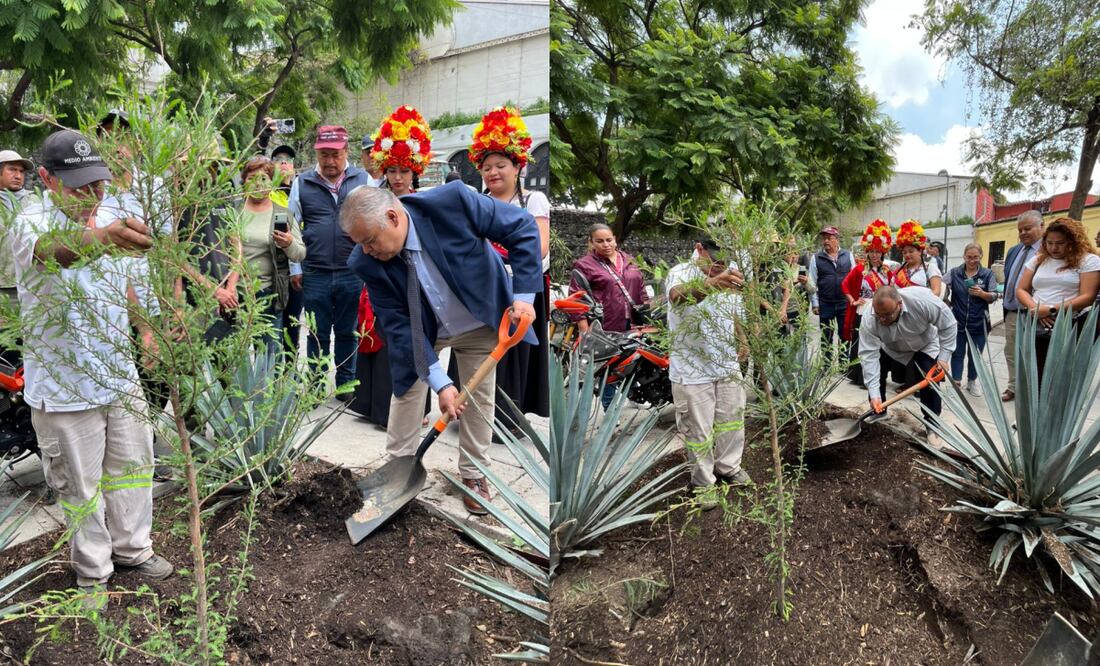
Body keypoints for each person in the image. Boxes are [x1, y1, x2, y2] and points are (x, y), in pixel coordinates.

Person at [7, 129, 173, 589]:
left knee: (133, 471)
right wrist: (103, 236)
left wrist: (144, 330)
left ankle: (134, 550)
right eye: (79, 185)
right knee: (80, 490)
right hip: (64, 389)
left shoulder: (114, 209)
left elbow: (129, 282)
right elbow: (52, 252)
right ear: (46, 178)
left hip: (119, 378)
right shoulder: (30, 220)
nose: (93, 194)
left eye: (97, 183)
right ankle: (93, 573)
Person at [342, 182, 540, 515]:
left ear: (393, 217)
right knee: (406, 390)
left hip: (479, 317)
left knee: (479, 397)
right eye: (360, 244)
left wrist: (523, 298)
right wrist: (441, 383)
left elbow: (522, 227)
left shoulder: (453, 202)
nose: (366, 251)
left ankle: (475, 476)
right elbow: (400, 327)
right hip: (425, 330)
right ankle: (397, 471)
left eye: (370, 241)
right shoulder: (366, 262)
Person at [350, 106, 435, 426]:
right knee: (383, 340)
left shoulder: (425, 202)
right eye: (392, 171)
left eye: (404, 171)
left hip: (416, 283)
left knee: (417, 343)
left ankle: (418, 410)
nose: (397, 178)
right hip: (379, 284)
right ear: (384, 170)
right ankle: (377, 407)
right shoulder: (371, 201)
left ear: (415, 171)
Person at [469, 106, 550, 420]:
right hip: (485, 288)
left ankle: (505, 418)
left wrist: (503, 255)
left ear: (518, 166)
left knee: (512, 355)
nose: (492, 172)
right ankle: (474, 414)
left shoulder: (533, 201)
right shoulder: (478, 203)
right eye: (487, 166)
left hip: (521, 290)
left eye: (500, 165)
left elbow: (539, 249)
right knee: (477, 351)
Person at [288, 125, 372, 392]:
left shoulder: (363, 180)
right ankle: (315, 384)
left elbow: (374, 223)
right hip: (314, 272)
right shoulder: (302, 182)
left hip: (353, 272)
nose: (330, 161)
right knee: (316, 332)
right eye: (324, 155)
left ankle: (346, 383)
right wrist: (294, 267)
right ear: (317, 154)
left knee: (348, 331)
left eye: (335, 154)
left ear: (346, 151)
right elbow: (291, 227)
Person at [666, 237, 749, 507]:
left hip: (725, 363)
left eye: (724, 261)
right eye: (715, 261)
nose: (720, 266)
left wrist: (743, 339)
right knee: (698, 430)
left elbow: (733, 311)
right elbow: (677, 297)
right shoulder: (679, 272)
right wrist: (713, 284)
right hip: (692, 368)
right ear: (698, 249)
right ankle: (703, 483)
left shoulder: (730, 270)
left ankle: (729, 467)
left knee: (732, 421)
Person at [569, 223, 648, 408]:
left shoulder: (628, 260)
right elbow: (576, 299)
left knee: (633, 360)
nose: (606, 244)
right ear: (591, 243)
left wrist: (646, 314)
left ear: (615, 239)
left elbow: (641, 288)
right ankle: (609, 407)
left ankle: (633, 396)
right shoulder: (584, 265)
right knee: (609, 368)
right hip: (605, 324)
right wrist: (584, 330)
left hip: (633, 322)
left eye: (609, 240)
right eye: (600, 241)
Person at [859, 286, 956, 438]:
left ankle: (933, 425)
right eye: (879, 315)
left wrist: (944, 358)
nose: (882, 319)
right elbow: (868, 356)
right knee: (876, 373)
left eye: (887, 315)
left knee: (929, 382)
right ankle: (879, 410)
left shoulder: (922, 301)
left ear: (900, 304)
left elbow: (948, 325)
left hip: (924, 344)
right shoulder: (869, 318)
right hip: (890, 346)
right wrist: (874, 393)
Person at [1014, 217, 1100, 386]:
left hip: (1070, 324)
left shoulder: (1088, 260)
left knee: (1061, 380)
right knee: (1035, 375)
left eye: (1060, 243)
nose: (1054, 248)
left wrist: (1052, 310)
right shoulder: (1039, 259)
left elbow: (1087, 296)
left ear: (1073, 241)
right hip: (1036, 323)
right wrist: (1037, 310)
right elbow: (1021, 289)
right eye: (1049, 243)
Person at [234, 156, 306, 349]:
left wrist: (288, 243)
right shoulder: (233, 212)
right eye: (251, 178)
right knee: (233, 359)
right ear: (243, 182)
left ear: (273, 182)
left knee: (268, 358)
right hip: (235, 295)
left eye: (264, 178)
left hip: (269, 294)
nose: (258, 183)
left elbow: (299, 254)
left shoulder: (283, 214)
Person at [841, 219, 894, 387]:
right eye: (871, 251)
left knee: (877, 345)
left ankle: (876, 378)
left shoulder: (887, 272)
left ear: (883, 252)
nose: (874, 255)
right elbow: (845, 285)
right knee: (861, 344)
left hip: (880, 312)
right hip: (862, 310)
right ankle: (859, 376)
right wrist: (853, 301)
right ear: (867, 251)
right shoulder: (859, 269)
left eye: (878, 252)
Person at [998, 211, 1044, 401]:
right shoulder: (1014, 251)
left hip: (1037, 313)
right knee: (1011, 351)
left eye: (1028, 228)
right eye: (1020, 230)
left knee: (1033, 354)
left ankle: (1032, 392)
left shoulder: (1048, 251)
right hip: (1012, 311)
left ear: (1041, 225)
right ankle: (1013, 387)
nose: (1023, 233)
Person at [946, 243, 996, 397]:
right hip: (959, 321)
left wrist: (982, 294)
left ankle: (972, 382)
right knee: (957, 353)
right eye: (969, 257)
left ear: (981, 256)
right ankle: (956, 382)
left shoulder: (987, 274)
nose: (972, 260)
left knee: (976, 356)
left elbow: (994, 295)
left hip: (979, 323)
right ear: (964, 256)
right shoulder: (955, 273)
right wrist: (946, 303)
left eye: (975, 257)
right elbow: (940, 286)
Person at [271, 145, 304, 356]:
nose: (284, 162)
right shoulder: (264, 192)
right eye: (278, 158)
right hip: (273, 270)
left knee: (293, 324)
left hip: (296, 266)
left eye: (288, 159)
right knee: (273, 327)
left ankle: (289, 374)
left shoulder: (300, 190)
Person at [808, 226, 852, 355]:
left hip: (844, 302)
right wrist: (815, 303)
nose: (826, 241)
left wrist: (853, 300)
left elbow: (854, 279)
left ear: (837, 240)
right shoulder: (816, 258)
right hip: (825, 303)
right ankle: (826, 367)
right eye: (824, 238)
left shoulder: (848, 255)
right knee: (826, 336)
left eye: (829, 238)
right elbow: (812, 282)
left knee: (844, 336)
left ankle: (843, 366)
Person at [0, 150, 32, 311]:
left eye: (21, 171)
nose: (18, 175)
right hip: (3, 288)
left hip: (33, 284)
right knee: (5, 335)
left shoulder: (36, 199)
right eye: (12, 169)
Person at [891, 220, 943, 296]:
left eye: (911, 251)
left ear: (920, 251)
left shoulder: (930, 268)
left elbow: (936, 292)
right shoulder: (898, 271)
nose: (907, 255)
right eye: (904, 252)